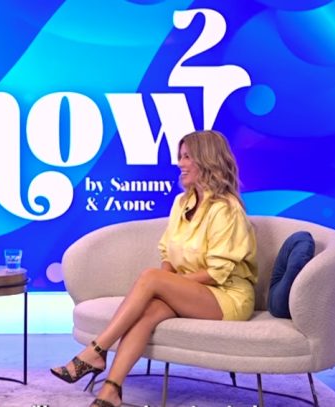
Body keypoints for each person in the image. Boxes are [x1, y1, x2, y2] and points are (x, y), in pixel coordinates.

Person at [51, 130, 258, 407]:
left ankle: (96, 350)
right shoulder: (182, 203)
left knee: (151, 278)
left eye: (187, 157)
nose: (180, 164)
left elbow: (216, 273)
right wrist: (167, 284)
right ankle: (111, 390)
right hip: (194, 291)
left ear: (207, 160)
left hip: (227, 296)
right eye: (180, 157)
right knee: (148, 312)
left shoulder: (226, 209)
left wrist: (165, 284)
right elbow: (167, 253)